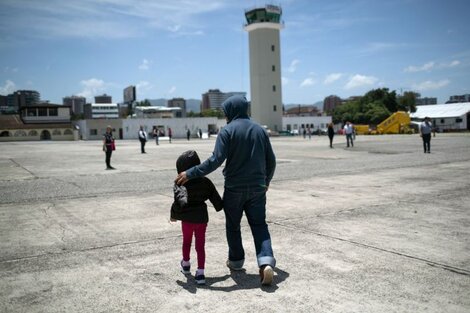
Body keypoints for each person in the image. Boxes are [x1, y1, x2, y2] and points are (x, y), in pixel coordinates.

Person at [175, 95, 277, 286]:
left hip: (234, 189)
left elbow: (215, 161)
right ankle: (265, 262)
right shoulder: (260, 130)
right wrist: (267, 181)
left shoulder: (227, 132)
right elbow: (271, 160)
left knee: (233, 225)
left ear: (232, 110)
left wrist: (191, 173)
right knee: (259, 225)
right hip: (258, 188)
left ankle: (237, 261)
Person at [171, 150, 223, 286]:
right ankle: (200, 273)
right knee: (200, 246)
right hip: (201, 218)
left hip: (187, 220)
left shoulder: (181, 182)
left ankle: (186, 264)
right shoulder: (206, 182)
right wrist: (220, 206)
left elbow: (178, 201)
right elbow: (216, 199)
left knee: (186, 242)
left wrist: (173, 216)